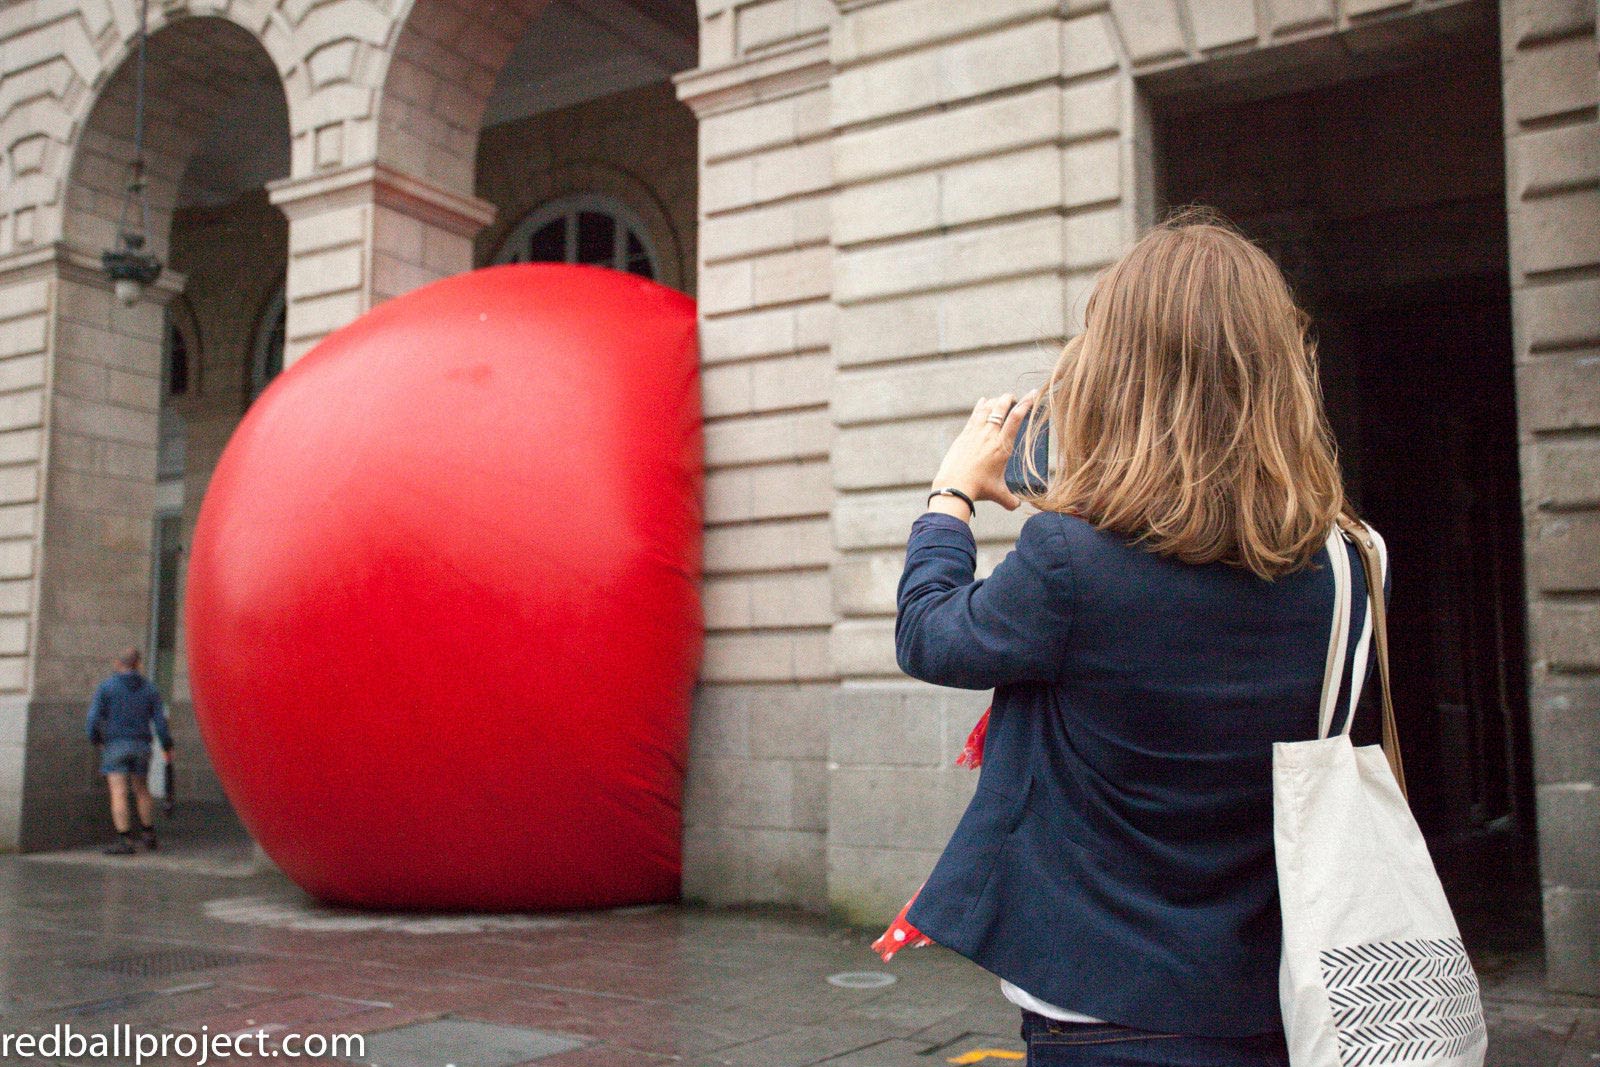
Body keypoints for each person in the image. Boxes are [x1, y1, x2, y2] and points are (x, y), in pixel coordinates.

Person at [895, 213, 1383, 1065]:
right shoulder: (1352, 559)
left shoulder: (1067, 563)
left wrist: (950, 495)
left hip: (1095, 1002)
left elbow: (930, 633)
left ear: (1116, 372)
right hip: (1274, 998)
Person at [87, 647, 173, 855]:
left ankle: (125, 841)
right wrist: (166, 746)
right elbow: (161, 723)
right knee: (142, 790)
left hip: (115, 745)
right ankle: (148, 834)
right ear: (139, 664)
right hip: (142, 746)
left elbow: (92, 719)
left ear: (118, 664)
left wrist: (96, 739)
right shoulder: (150, 689)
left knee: (119, 792)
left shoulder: (107, 687)